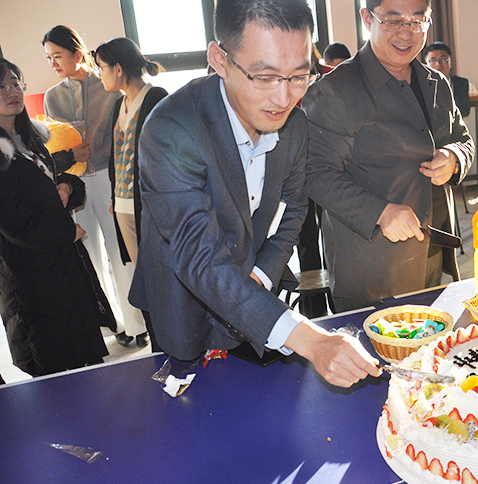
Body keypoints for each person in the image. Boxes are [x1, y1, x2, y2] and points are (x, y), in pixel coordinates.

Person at [130, 0, 379, 388]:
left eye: (299, 76)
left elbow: (292, 210)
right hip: (185, 300)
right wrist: (310, 339)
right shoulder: (172, 129)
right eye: (264, 77)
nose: (284, 99)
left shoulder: (295, 126)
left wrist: (261, 274)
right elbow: (199, 259)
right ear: (220, 59)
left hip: (259, 292)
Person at [302, 0, 475, 312]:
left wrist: (454, 158)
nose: (406, 33)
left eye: (417, 21)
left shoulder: (436, 83)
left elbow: (463, 140)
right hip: (374, 266)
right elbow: (314, 173)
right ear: (367, 19)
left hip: (434, 252)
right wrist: (380, 212)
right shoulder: (336, 90)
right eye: (393, 20)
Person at [0, 59, 109, 376]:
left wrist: (67, 187)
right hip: (29, 276)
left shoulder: (31, 139)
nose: (11, 92)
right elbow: (14, 221)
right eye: (1, 86)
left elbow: (56, 182)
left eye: (16, 83)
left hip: (63, 266)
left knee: (84, 360)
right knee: (55, 369)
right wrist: (66, 232)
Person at [42, 25, 148, 347]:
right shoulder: (52, 96)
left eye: (57, 55)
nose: (53, 63)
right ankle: (113, 323)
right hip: (73, 182)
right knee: (90, 256)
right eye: (48, 58)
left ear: (77, 53)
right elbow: (51, 144)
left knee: (120, 251)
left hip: (106, 176)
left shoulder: (109, 87)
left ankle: (137, 322)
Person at [94, 38, 167, 268]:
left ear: (118, 68)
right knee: (142, 276)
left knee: (161, 273)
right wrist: (115, 198)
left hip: (148, 207)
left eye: (101, 68)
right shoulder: (119, 104)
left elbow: (165, 157)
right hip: (123, 206)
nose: (99, 74)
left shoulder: (156, 98)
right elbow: (117, 157)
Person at [423, 41, 471, 117]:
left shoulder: (461, 83)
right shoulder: (421, 84)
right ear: (426, 65)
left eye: (443, 59)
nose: (438, 64)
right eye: (433, 60)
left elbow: (465, 110)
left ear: (451, 63)